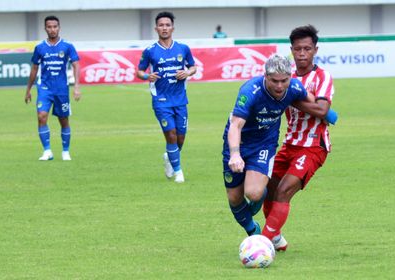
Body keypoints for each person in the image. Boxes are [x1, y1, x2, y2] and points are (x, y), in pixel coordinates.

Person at [222, 54, 336, 237]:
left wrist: (329, 114)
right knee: (235, 198)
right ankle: (253, 230)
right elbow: (235, 126)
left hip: (264, 144)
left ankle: (259, 240)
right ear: (265, 77)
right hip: (238, 143)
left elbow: (310, 99)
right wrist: (235, 154)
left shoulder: (294, 87)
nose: (280, 86)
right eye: (274, 81)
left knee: (254, 193)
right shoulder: (250, 91)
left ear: (290, 77)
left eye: (284, 80)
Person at [261, 25, 336, 251]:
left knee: (284, 191)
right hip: (289, 143)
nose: (302, 53)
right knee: (268, 190)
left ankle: (262, 242)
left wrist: (289, 98)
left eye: (307, 48)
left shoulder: (322, 76)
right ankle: (275, 237)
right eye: (298, 49)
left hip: (313, 146)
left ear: (315, 50)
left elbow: (323, 111)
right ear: (291, 51)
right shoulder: (286, 78)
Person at [137, 11, 197, 183]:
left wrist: (186, 72)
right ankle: (178, 171)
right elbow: (139, 71)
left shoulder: (183, 48)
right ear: (156, 28)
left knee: (180, 138)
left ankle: (170, 158)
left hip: (180, 99)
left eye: (167, 25)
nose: (164, 28)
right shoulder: (150, 51)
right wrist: (147, 76)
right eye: (161, 25)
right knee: (170, 134)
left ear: (173, 28)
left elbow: (193, 67)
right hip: (161, 100)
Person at [25, 15, 81, 161]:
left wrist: (76, 86)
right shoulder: (40, 48)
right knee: (41, 116)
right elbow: (34, 69)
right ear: (45, 29)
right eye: (49, 27)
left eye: (55, 26)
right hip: (44, 88)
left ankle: (65, 151)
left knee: (63, 120)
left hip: (61, 89)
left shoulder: (67, 46)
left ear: (59, 28)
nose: (52, 29)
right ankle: (47, 151)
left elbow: (76, 64)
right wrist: (28, 90)